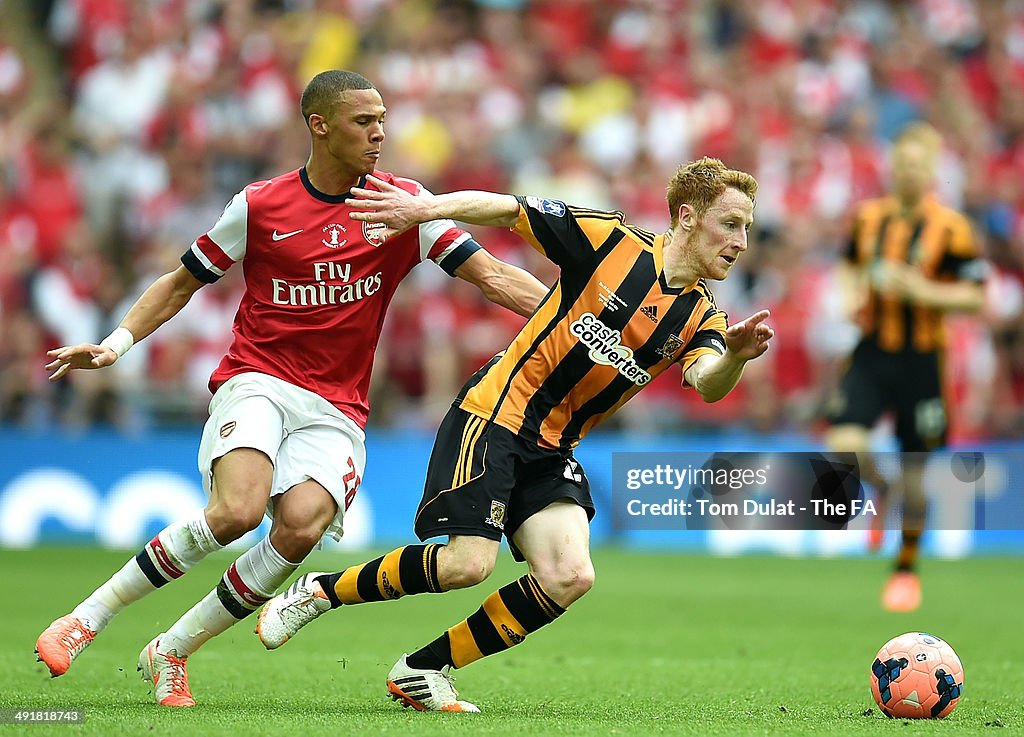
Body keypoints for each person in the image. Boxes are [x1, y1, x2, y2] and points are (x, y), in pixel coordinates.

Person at [34, 70, 549, 707]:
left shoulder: (403, 207)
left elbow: (495, 277)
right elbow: (179, 281)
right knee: (238, 512)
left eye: (383, 119)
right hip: (258, 379)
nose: (380, 132)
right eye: (365, 121)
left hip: (337, 405)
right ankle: (85, 619)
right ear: (320, 124)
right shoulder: (261, 205)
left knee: (300, 527)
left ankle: (172, 649)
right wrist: (115, 345)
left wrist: (586, 322)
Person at [255, 156, 774, 712]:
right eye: (731, 224)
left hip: (555, 447)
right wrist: (423, 210)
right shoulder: (610, 241)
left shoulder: (703, 316)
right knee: (467, 565)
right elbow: (507, 209)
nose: (743, 241)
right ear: (689, 217)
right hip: (495, 415)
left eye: (747, 227)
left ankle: (423, 670)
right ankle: (318, 592)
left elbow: (706, 380)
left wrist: (737, 359)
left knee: (569, 575)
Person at [824, 122, 986, 612]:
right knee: (844, 442)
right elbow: (849, 264)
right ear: (892, 168)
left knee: (919, 469)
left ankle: (905, 569)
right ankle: (883, 486)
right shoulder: (868, 218)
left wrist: (922, 291)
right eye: (902, 164)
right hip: (872, 351)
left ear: (932, 170)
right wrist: (851, 293)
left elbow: (976, 296)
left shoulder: (952, 228)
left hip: (922, 361)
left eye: (918, 165)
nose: (909, 173)